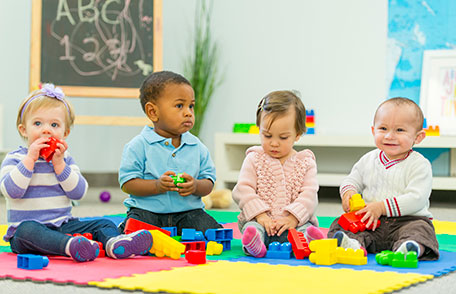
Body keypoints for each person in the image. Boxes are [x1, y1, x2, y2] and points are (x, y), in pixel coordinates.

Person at [0, 84, 152, 262]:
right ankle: (70, 246)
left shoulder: (65, 159)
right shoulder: (16, 158)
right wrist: (30, 160)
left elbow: (78, 192)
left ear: (65, 133)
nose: (46, 129)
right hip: (27, 233)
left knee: (104, 223)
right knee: (27, 230)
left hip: (63, 226)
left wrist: (59, 165)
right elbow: (11, 191)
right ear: (24, 130)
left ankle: (114, 244)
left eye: (54, 124)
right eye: (37, 123)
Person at [328, 97, 439, 260]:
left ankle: (410, 247)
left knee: (421, 229)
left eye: (399, 130)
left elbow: (417, 198)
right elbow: (351, 180)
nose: (389, 136)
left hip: (407, 221)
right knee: (340, 223)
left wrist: (381, 207)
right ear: (373, 131)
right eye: (383, 128)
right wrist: (348, 192)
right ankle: (353, 245)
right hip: (370, 221)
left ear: (418, 137)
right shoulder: (368, 159)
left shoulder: (419, 164)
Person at [118, 71, 222, 235]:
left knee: (212, 232)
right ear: (153, 112)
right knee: (136, 230)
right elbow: (127, 183)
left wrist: (195, 185)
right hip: (148, 212)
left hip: (188, 213)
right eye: (180, 106)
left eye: (191, 106)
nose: (188, 112)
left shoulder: (197, 146)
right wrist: (157, 186)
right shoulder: (138, 145)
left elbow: (208, 183)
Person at [232, 90, 324, 258]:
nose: (274, 143)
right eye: (267, 136)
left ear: (297, 135)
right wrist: (260, 215)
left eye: (283, 137)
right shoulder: (254, 158)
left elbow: (310, 195)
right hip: (260, 221)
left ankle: (307, 241)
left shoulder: (305, 162)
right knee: (253, 229)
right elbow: (243, 190)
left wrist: (293, 218)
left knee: (305, 228)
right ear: (259, 129)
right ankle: (254, 244)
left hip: (293, 224)